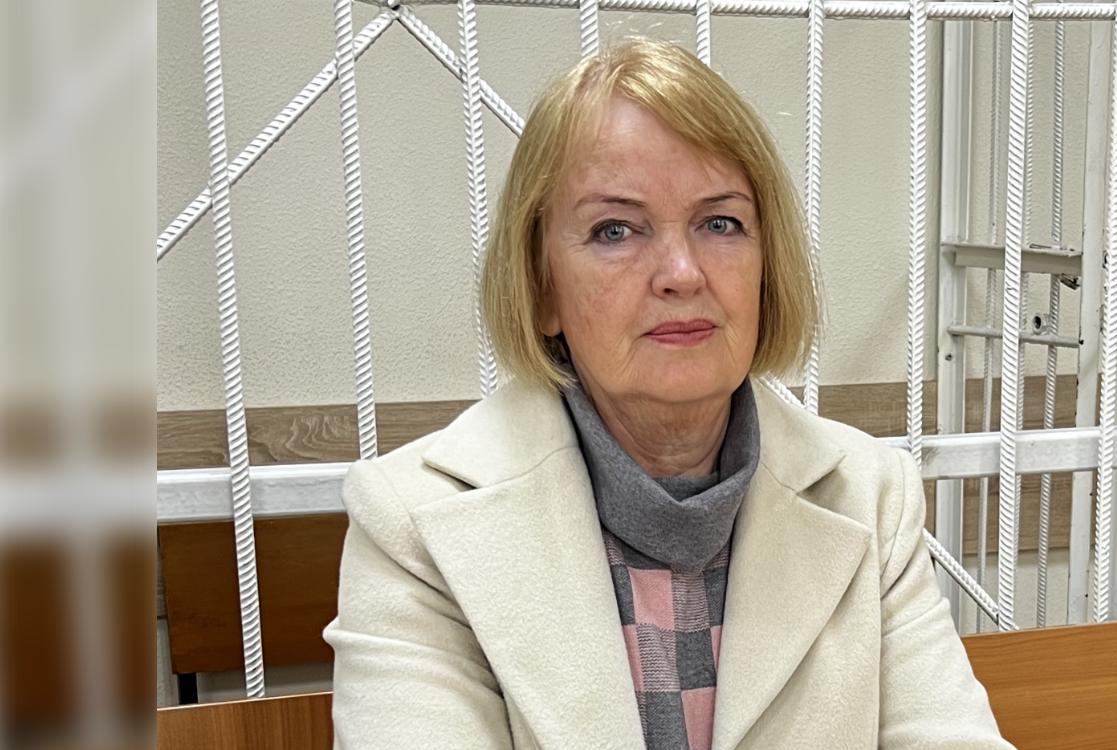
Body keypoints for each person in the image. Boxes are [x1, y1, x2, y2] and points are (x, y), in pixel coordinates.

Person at [323, 37, 1015, 750]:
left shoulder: (872, 497)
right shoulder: (411, 523)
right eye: (614, 230)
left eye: (720, 223)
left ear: (766, 265)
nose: (682, 273)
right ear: (542, 288)